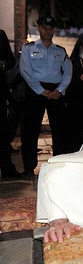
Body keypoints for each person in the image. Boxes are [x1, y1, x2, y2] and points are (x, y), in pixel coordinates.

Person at [19, 16, 73, 176]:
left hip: (56, 91)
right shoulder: (29, 49)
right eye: (44, 27)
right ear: (39, 29)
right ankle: (29, 166)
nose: (47, 30)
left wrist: (60, 90)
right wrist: (40, 90)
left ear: (53, 30)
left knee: (59, 129)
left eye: (50, 28)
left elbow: (68, 71)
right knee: (30, 129)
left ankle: (58, 162)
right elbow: (25, 70)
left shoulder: (60, 51)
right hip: (35, 90)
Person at [0, 29, 21, 178]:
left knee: (2, 132)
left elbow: (10, 60)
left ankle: (7, 168)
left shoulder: (1, 35)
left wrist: (2, 64)